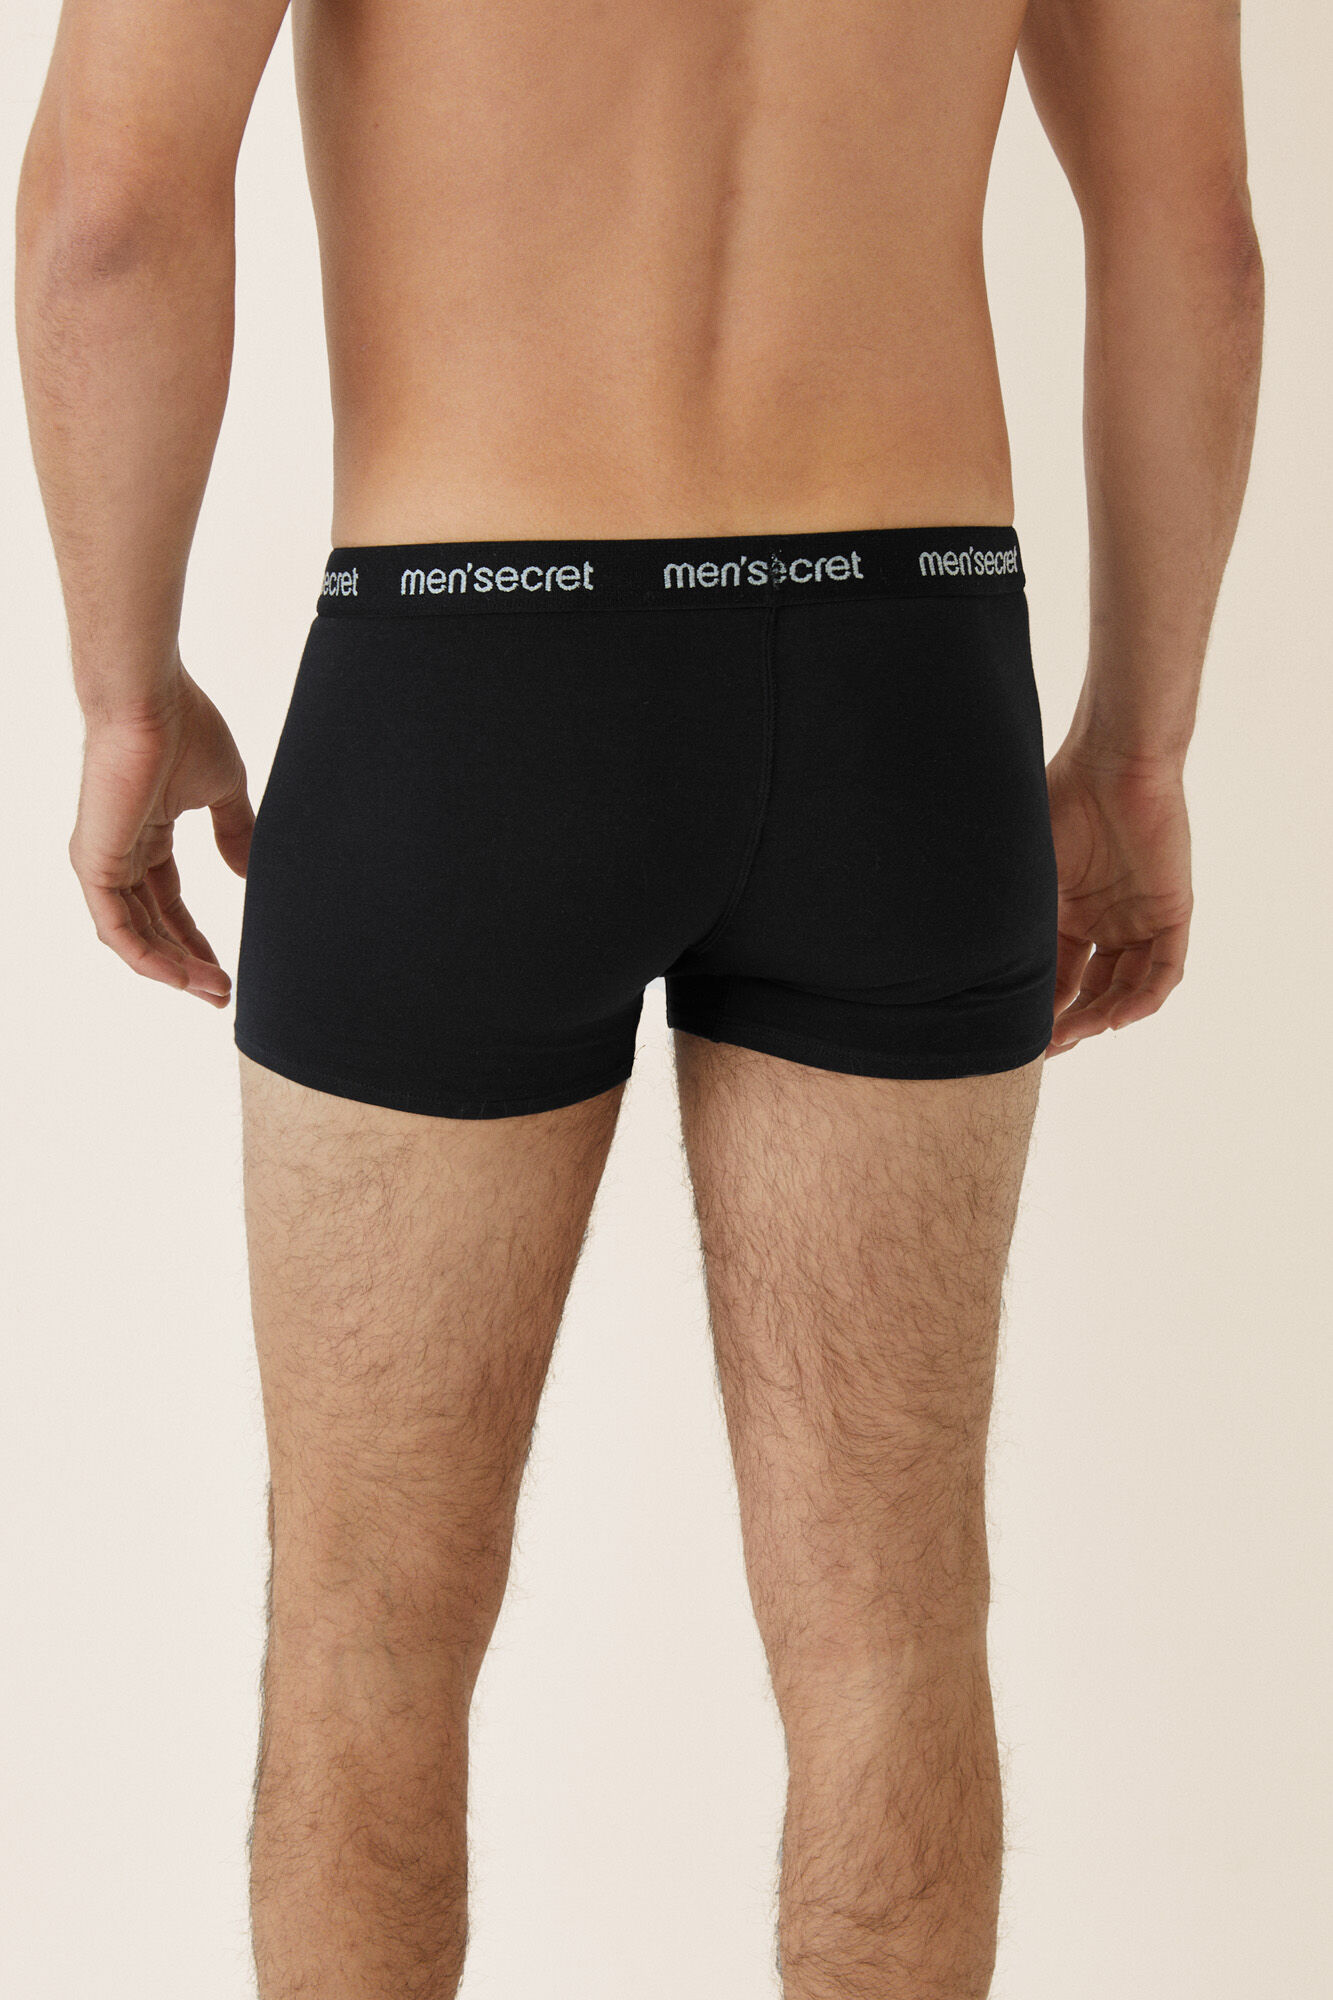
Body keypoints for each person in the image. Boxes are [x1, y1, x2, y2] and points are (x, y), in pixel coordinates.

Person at [15, 0, 1262, 1992]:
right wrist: (1136, 745)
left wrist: (119, 692)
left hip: (469, 684)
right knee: (890, 1628)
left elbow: (110, 210)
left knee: (365, 1633)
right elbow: (1189, 231)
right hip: (906, 674)